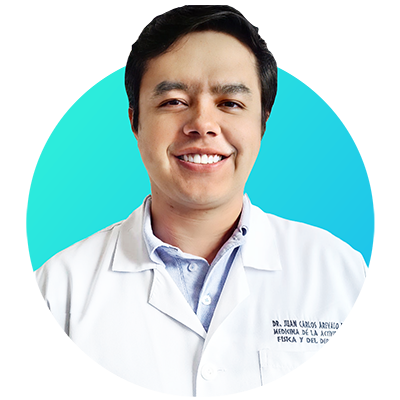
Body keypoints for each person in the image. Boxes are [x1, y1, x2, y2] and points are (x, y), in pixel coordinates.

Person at [37, 5, 371, 397]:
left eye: (230, 103)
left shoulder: (339, 276)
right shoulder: (57, 291)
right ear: (135, 121)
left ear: (262, 122)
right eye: (174, 101)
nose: (202, 125)